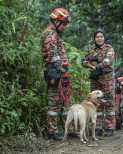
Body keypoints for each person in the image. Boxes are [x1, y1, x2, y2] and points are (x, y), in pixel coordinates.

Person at [41, 8, 78, 140]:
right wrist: (62, 71)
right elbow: (54, 56)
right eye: (63, 24)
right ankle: (52, 132)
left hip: (62, 74)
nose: (64, 27)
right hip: (55, 74)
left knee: (66, 103)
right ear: (56, 21)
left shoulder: (55, 35)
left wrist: (64, 72)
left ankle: (69, 130)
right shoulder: (49, 35)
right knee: (54, 104)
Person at [82, 29, 115, 136]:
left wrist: (97, 66)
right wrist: (89, 64)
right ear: (94, 39)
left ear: (104, 38)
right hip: (95, 80)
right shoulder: (90, 49)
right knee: (96, 104)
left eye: (101, 36)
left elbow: (108, 60)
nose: (99, 38)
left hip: (107, 79)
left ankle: (110, 128)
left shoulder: (109, 48)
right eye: (97, 37)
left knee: (109, 102)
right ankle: (98, 128)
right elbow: (83, 61)